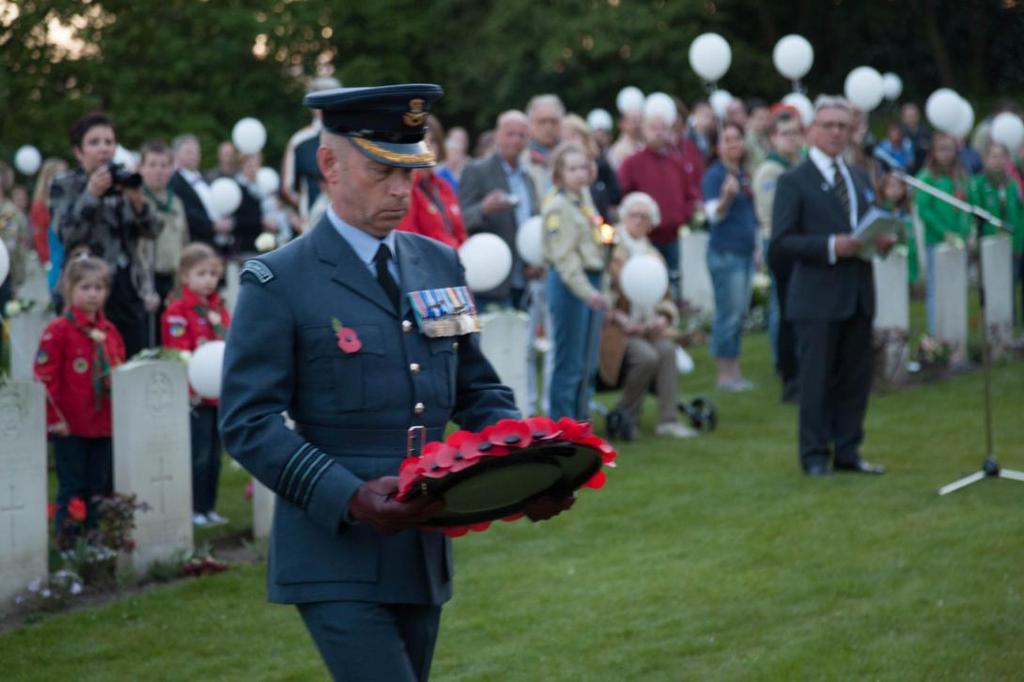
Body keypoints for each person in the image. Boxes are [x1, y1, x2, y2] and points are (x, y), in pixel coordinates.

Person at [218, 83, 572, 681]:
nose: (400, 190)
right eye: (382, 171)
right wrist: (349, 495)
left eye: (410, 172)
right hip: (334, 545)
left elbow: (476, 390)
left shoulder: (438, 262)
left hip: (420, 543)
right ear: (329, 164)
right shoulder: (279, 280)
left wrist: (527, 466)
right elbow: (247, 422)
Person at [770, 96, 896, 477]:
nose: (837, 132)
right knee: (816, 381)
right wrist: (830, 246)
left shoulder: (859, 177)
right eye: (828, 125)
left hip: (858, 291)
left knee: (855, 379)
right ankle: (813, 455)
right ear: (811, 131)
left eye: (844, 126)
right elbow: (781, 242)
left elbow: (864, 228)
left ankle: (848, 451)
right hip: (816, 296)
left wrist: (881, 241)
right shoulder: (794, 181)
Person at [51, 111, 160, 357]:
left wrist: (138, 203)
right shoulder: (65, 185)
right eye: (94, 142)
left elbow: (154, 230)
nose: (104, 149)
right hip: (85, 286)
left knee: (134, 359)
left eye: (109, 142)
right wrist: (91, 195)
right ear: (79, 152)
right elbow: (66, 234)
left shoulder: (125, 180)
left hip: (127, 287)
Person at [34, 256, 126, 546]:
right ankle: (69, 541)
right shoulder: (59, 331)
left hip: (104, 424)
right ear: (69, 289)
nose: (92, 294)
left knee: (98, 486)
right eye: (85, 287)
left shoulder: (110, 332)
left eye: (99, 288)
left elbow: (119, 370)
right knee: (72, 486)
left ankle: (95, 538)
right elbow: (44, 378)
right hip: (70, 426)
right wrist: (54, 419)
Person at [601, 191, 694, 440]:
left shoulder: (653, 255)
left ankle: (668, 420)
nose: (639, 221)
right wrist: (621, 319)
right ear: (624, 217)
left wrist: (663, 318)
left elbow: (665, 297)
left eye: (645, 216)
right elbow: (602, 295)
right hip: (616, 329)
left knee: (666, 350)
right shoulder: (610, 251)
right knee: (645, 356)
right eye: (634, 215)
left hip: (647, 326)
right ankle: (626, 415)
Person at [162, 243, 231, 527]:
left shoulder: (219, 309)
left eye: (213, 273)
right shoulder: (178, 312)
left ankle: (208, 507)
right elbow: (179, 352)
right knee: (198, 455)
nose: (208, 279)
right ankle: (193, 508)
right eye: (201, 273)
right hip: (196, 397)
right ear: (184, 277)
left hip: (219, 395)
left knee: (215, 455)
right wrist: (192, 390)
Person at [544, 142, 610, 421]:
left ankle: (580, 421)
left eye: (583, 167)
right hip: (571, 286)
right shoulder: (558, 206)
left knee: (586, 362)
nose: (580, 174)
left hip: (590, 280)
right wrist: (587, 292)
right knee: (569, 361)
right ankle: (563, 425)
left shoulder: (582, 198)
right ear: (559, 174)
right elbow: (565, 257)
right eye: (572, 169)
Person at [618, 100, 702, 302]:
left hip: (672, 236)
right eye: (653, 128)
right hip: (643, 239)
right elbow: (622, 196)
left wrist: (682, 217)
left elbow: (690, 195)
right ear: (644, 131)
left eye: (663, 128)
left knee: (672, 285)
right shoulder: (632, 163)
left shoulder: (676, 163)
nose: (659, 133)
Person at [458, 110, 540, 307]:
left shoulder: (528, 178)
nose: (516, 140)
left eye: (522, 135)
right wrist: (484, 209)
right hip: (490, 279)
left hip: (522, 278)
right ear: (497, 136)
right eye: (510, 134)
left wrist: (534, 261)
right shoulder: (477, 170)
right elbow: (460, 220)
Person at [702, 122, 759, 391]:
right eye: (727, 139)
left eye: (737, 138)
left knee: (739, 314)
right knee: (729, 314)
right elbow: (713, 215)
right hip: (726, 253)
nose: (733, 144)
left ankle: (734, 372)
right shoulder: (715, 176)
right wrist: (726, 197)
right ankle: (724, 375)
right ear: (718, 146)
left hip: (744, 252)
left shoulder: (743, 175)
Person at [755, 107, 804, 402]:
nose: (792, 139)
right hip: (782, 244)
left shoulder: (797, 163)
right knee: (786, 311)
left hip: (798, 243)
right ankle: (787, 372)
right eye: (785, 134)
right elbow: (776, 215)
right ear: (773, 137)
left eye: (796, 133)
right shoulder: (770, 171)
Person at [915, 132, 971, 335]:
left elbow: (967, 206)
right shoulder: (927, 177)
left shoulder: (961, 176)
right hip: (936, 241)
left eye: (949, 149)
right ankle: (936, 333)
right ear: (934, 151)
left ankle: (956, 331)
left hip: (959, 241)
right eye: (941, 149)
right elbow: (924, 210)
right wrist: (945, 232)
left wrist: (964, 232)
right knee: (936, 289)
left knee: (956, 287)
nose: (946, 154)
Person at [968, 142, 1024, 321]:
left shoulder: (1013, 184)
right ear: (985, 159)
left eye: (1002, 157)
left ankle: (1010, 319)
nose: (998, 161)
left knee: (1011, 283)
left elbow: (1019, 212)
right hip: (989, 242)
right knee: (990, 284)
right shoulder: (978, 183)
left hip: (1014, 242)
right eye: (994, 156)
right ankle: (992, 320)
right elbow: (975, 213)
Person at [397, 115, 467, 249]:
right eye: (421, 141)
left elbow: (461, 233)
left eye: (432, 141)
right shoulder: (407, 188)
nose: (427, 147)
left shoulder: (443, 186)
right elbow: (408, 241)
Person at [281, 76, 341, 226]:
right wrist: (305, 207)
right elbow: (288, 188)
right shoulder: (299, 141)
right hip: (312, 224)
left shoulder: (349, 137)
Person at [139, 141, 189, 310]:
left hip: (173, 280)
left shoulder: (176, 203)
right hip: (147, 280)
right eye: (152, 165)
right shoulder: (138, 202)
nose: (158, 170)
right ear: (141, 168)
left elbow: (184, 242)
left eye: (164, 165)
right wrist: (145, 287)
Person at [169, 134, 234, 250]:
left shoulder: (204, 178)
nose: (194, 156)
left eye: (197, 151)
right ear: (176, 155)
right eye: (189, 152)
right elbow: (185, 211)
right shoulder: (174, 181)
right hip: (194, 243)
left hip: (215, 242)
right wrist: (212, 226)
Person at [561, 113, 621, 222]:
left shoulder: (600, 165)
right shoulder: (557, 168)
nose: (569, 141)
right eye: (564, 137)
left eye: (573, 136)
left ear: (584, 137)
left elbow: (615, 196)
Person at [29, 158, 68, 269]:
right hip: (53, 258)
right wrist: (46, 259)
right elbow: (39, 235)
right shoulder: (40, 205)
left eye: (64, 172)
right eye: (58, 173)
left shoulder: (68, 200)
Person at [435, 126, 469, 192]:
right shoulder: (439, 170)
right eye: (452, 152)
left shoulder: (467, 169)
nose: (454, 156)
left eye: (457, 152)